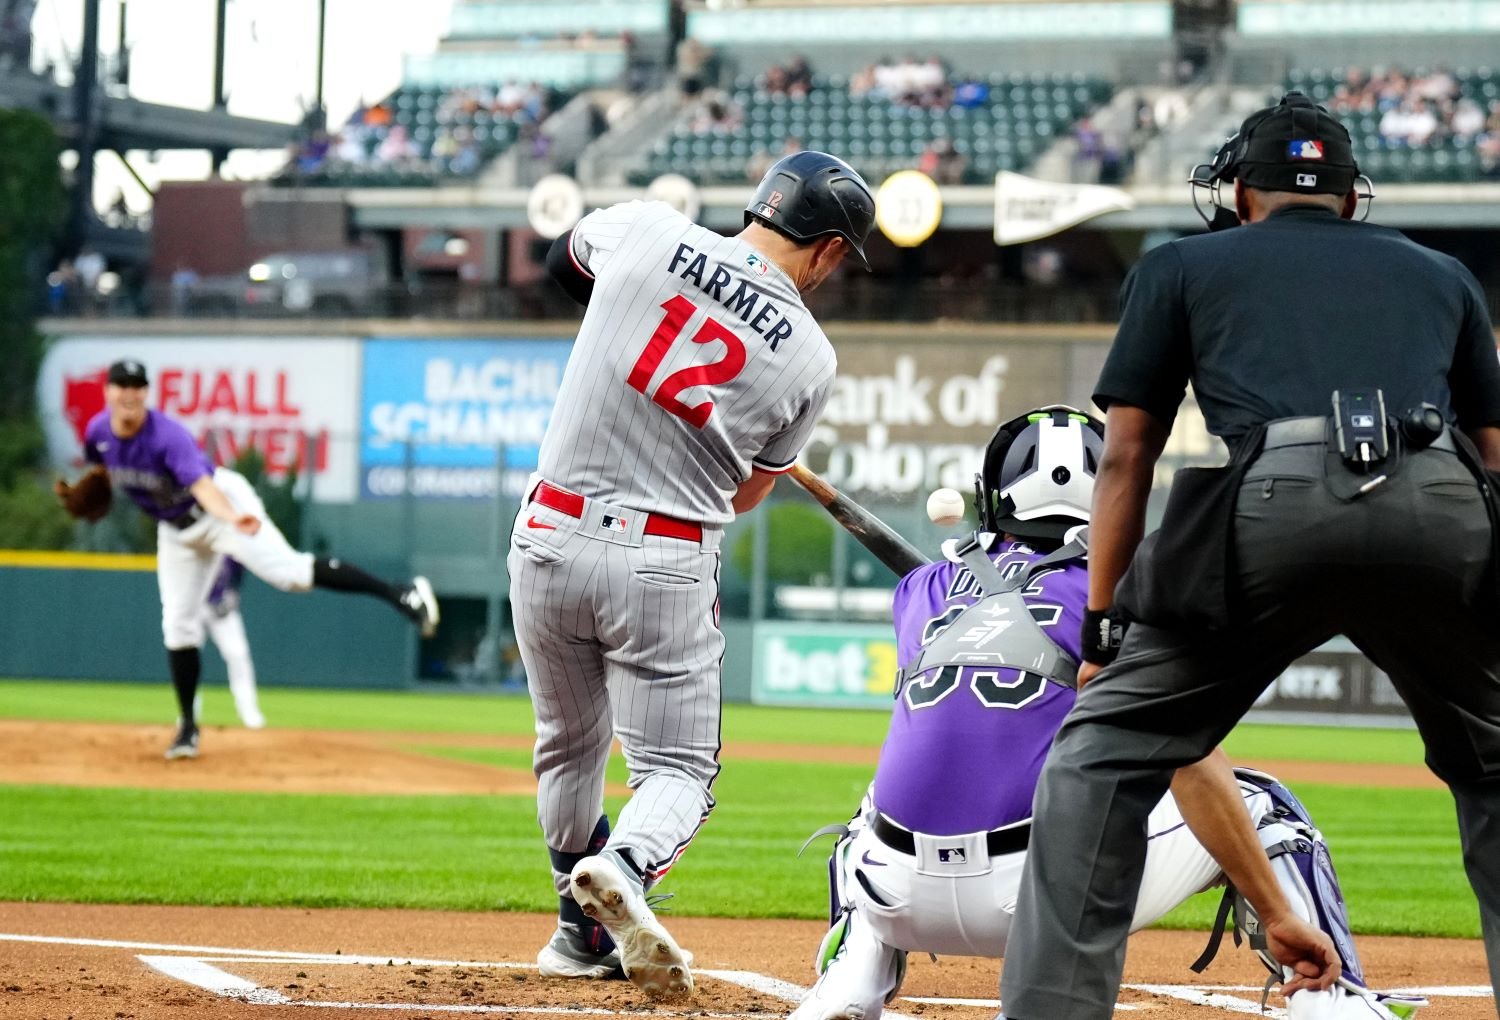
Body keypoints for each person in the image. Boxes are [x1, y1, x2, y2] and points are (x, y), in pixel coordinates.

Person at [999, 93, 1500, 1019]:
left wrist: (1104, 626)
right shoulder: (1445, 275)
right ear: (1353, 197)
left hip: (1273, 504)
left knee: (1100, 757)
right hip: (1442, 500)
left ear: (1238, 191)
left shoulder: (1183, 265)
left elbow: (1127, 456)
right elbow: (1494, 461)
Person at [792, 407, 1424, 1020]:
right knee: (1264, 803)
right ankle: (1328, 1003)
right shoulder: (1122, 599)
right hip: (1040, 902)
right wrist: (1276, 913)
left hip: (895, 897)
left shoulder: (920, 593)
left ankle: (853, 975)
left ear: (994, 496)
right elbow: (1187, 758)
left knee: (870, 808)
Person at [513, 150, 876, 1000]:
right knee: (678, 771)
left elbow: (560, 262)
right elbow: (747, 492)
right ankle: (627, 866)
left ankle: (578, 932)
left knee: (568, 748)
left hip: (546, 535)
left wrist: (627, 318)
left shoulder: (645, 228)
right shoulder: (811, 360)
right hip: (664, 556)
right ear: (826, 250)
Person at [67, 359, 440, 760]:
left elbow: (203, 486)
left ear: (146, 393)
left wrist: (231, 516)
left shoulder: (166, 437)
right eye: (122, 384)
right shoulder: (97, 432)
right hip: (175, 532)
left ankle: (402, 595)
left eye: (138, 385)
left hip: (222, 509)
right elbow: (102, 465)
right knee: (177, 626)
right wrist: (92, 488)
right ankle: (188, 729)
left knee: (291, 575)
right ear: (108, 391)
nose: (130, 392)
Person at [201, 557, 265, 729]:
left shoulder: (229, 539)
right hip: (193, 606)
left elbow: (237, 574)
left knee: (238, 655)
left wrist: (232, 593)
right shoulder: (193, 535)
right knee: (187, 654)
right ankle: (188, 715)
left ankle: (249, 711)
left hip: (221, 606)